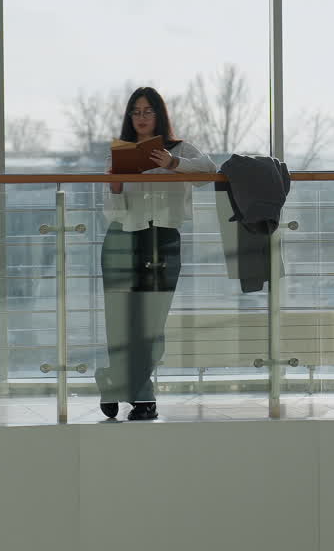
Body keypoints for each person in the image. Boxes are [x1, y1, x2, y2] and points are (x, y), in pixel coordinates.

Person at [97, 87, 216, 420]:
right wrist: (116, 187)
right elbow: (111, 211)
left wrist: (172, 163)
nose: (141, 118)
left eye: (148, 111)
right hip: (123, 238)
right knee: (120, 320)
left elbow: (209, 172)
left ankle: (114, 381)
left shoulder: (180, 149)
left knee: (152, 321)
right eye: (135, 112)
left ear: (159, 115)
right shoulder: (118, 153)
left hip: (163, 239)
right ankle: (141, 393)